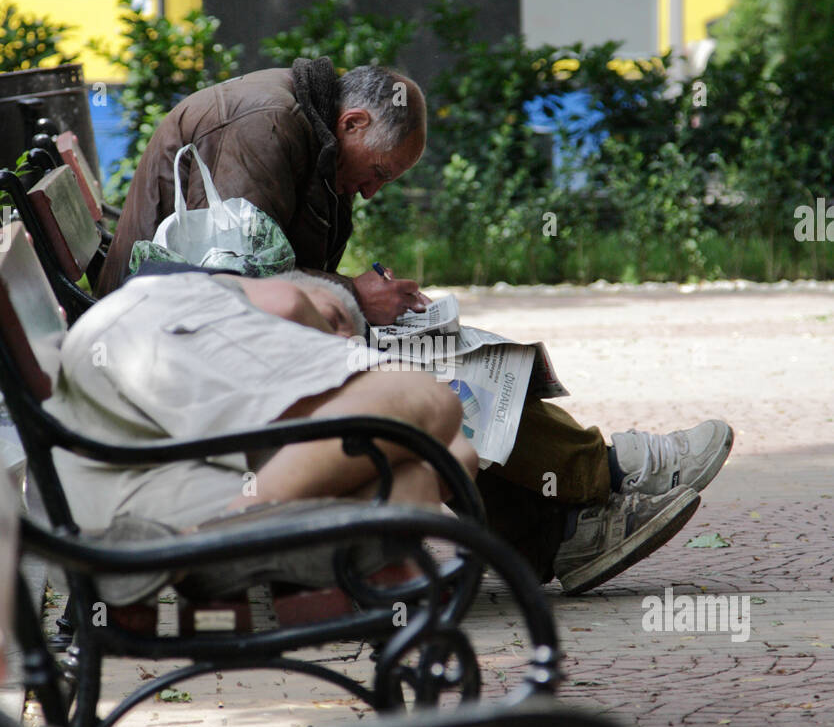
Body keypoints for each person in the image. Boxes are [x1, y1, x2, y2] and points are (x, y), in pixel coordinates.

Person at [96, 59, 731, 592]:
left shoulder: (302, 125)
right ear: (353, 122)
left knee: (452, 365)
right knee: (442, 380)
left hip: (194, 332)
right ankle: (604, 478)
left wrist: (355, 297)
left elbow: (257, 264)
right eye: (378, 173)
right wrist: (353, 297)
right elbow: (235, 279)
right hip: (183, 346)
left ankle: (566, 527)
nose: (372, 192)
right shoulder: (266, 125)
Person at [45, 269, 479, 592]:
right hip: (140, 343)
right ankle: (216, 540)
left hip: (120, 492)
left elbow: (450, 454)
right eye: (332, 326)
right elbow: (287, 303)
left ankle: (207, 539)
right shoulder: (260, 295)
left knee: (412, 479)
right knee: (428, 402)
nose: (334, 346)